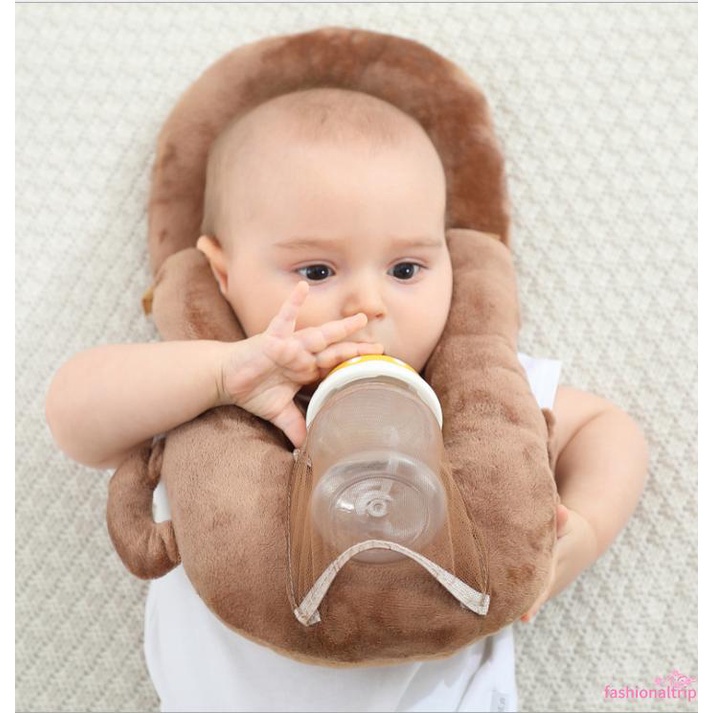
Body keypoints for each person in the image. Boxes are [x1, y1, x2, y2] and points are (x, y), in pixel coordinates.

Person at [45, 88, 648, 712]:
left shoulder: (470, 392)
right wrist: (221, 374)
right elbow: (71, 412)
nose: (369, 303)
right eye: (317, 271)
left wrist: (586, 529)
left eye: (406, 269)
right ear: (223, 274)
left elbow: (606, 429)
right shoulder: (200, 386)